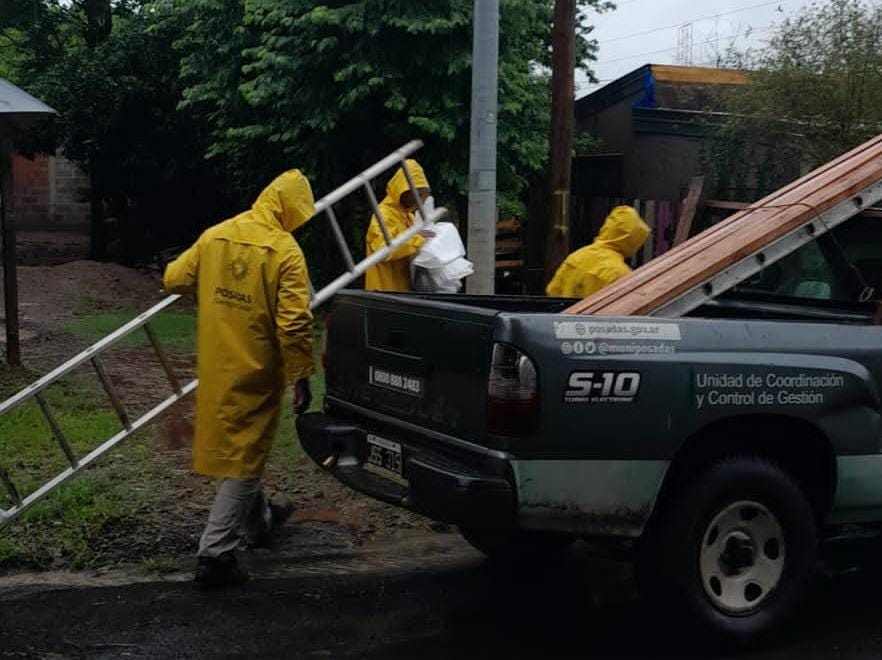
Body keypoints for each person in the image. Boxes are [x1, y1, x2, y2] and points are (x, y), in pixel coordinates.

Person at [163, 169, 316, 588]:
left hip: (217, 366)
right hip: (258, 369)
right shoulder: (285, 251)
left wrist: (215, 287)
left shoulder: (216, 235)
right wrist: (301, 376)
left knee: (239, 450)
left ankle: (260, 523)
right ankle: (215, 556)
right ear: (291, 210)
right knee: (245, 458)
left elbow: (174, 278)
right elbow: (293, 324)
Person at [546, 205, 650, 298]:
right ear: (633, 241)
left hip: (564, 317)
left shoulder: (577, 256)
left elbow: (553, 291)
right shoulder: (619, 273)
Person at [364, 159, 435, 292]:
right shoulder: (383, 214)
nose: (417, 199)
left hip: (402, 291)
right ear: (401, 190)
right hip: (383, 290)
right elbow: (383, 250)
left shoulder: (408, 215)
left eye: (421, 194)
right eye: (414, 193)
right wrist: (417, 240)